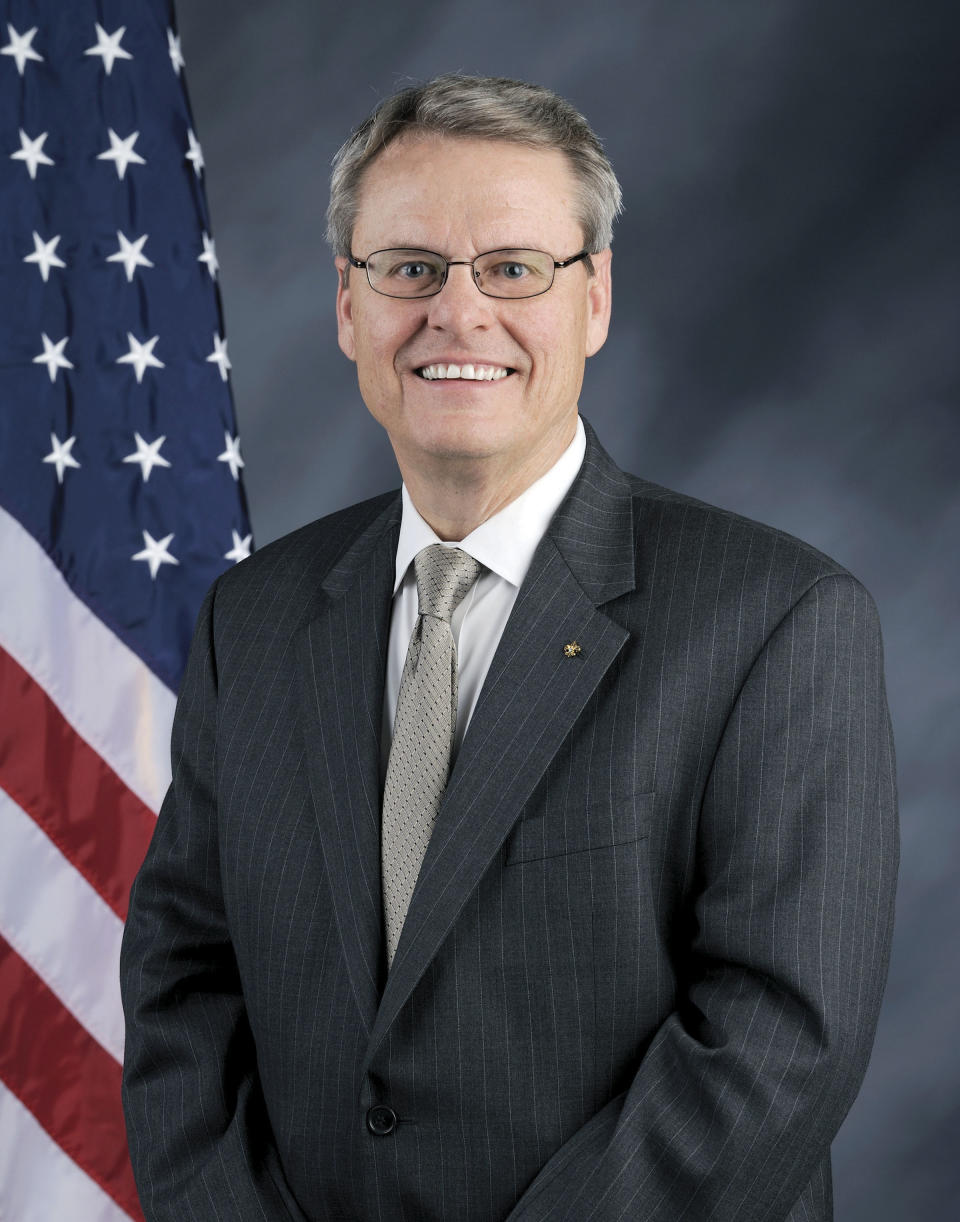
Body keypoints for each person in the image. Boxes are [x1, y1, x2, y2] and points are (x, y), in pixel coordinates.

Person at [120, 74, 899, 1222]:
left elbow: (779, 1039)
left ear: (594, 300)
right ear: (348, 304)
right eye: (411, 268)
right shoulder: (258, 618)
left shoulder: (777, 619)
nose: (459, 313)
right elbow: (184, 984)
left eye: (514, 269)